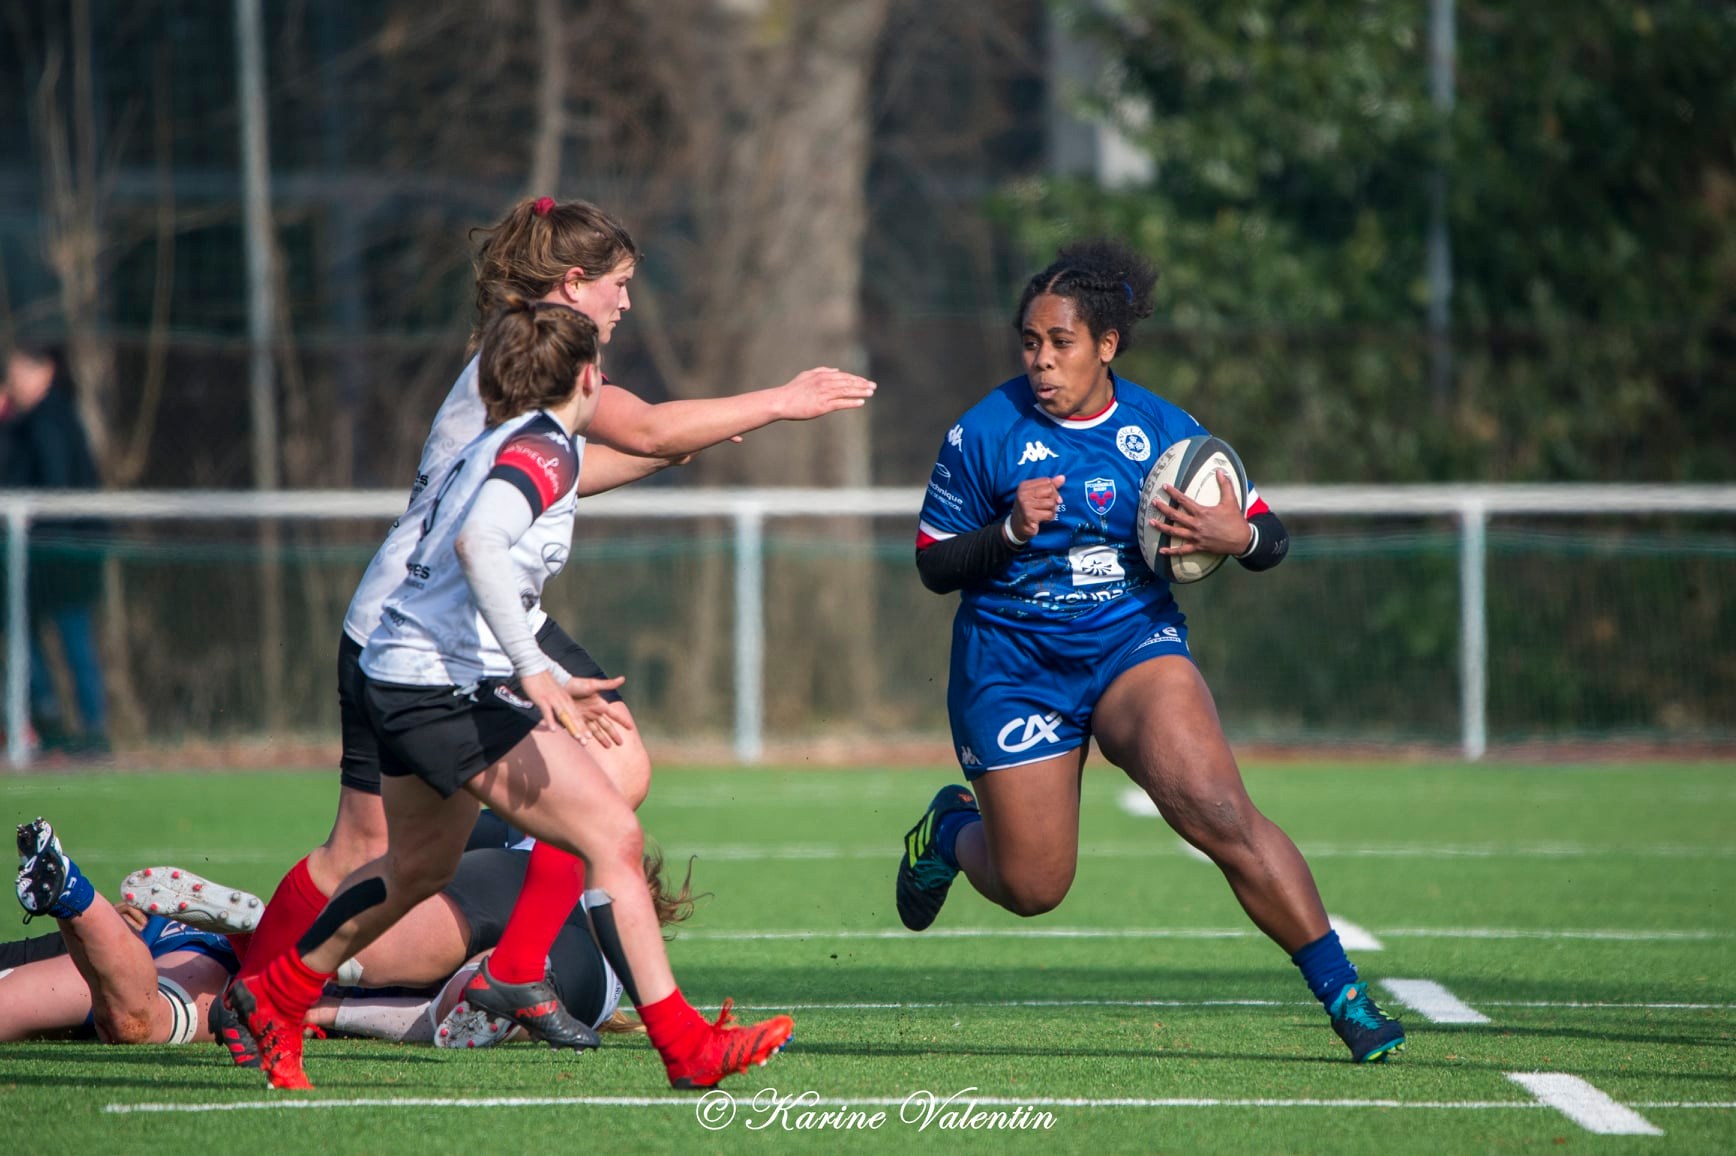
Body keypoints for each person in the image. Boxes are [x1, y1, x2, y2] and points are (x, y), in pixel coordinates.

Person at [232, 196, 874, 1052]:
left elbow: (580, 463)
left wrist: (662, 453)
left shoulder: (528, 364)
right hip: (431, 626)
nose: (627, 302)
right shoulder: (541, 362)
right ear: (574, 283)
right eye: (619, 283)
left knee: (443, 837)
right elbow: (635, 434)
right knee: (383, 847)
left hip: (445, 618)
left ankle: (425, 975)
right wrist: (783, 400)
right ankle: (269, 992)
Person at [893, 239, 1406, 1064]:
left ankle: (1345, 996)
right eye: (1030, 342)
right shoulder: (984, 432)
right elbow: (932, 563)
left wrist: (1238, 537)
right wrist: (1009, 531)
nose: (1041, 360)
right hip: (1013, 670)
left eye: (1061, 343)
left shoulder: (1164, 432)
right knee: (1033, 887)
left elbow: (1269, 536)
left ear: (1107, 344)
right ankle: (950, 830)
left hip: (1131, 645)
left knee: (1220, 809)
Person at [5, 816, 695, 1052]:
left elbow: (376, 868)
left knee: (135, 1025)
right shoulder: (596, 968)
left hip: (223, 944)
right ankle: (285, 958)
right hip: (258, 976)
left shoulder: (517, 840)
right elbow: (447, 1012)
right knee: (142, 1023)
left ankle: (72, 896)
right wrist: (322, 1012)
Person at [0, 343, 109, 756]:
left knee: (68, 640)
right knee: (32, 639)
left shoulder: (49, 421)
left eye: (18, 374)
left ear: (44, 372)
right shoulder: (33, 421)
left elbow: (52, 486)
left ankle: (80, 732)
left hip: (57, 555)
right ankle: (58, 727)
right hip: (47, 553)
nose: (12, 383)